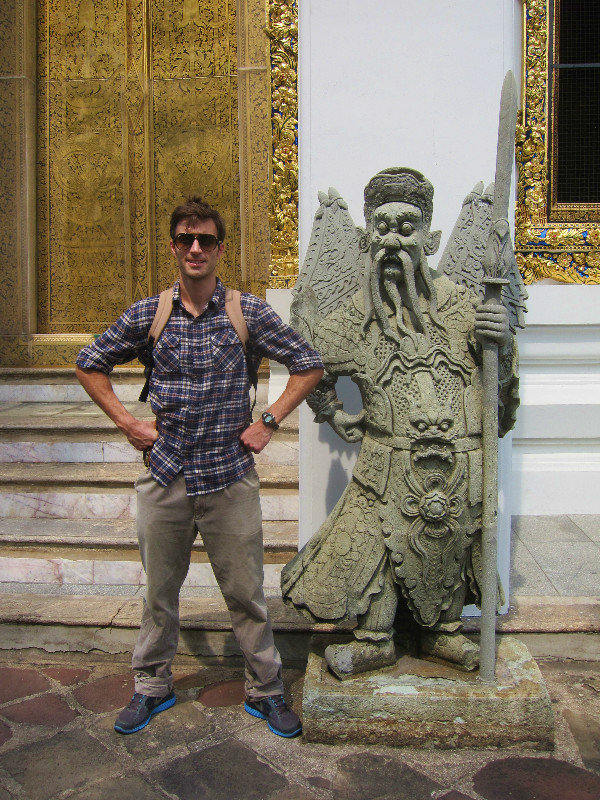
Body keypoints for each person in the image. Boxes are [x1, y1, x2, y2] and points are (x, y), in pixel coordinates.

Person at [76, 196, 323, 736]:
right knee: (160, 594)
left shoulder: (247, 311)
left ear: (219, 249)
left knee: (245, 594)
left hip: (228, 477)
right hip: (164, 476)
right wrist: (127, 422)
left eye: (205, 240)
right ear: (173, 247)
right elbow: (90, 362)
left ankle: (266, 690)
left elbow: (308, 365)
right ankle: (151, 686)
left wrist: (270, 421)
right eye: (186, 239)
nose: (195, 249)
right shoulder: (149, 313)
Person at [281, 168, 518, 678]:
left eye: (407, 227)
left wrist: (502, 340)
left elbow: (497, 385)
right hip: (385, 464)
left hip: (456, 465)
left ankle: (444, 634)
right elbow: (307, 359)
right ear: (367, 236)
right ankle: (375, 638)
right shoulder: (351, 317)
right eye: (383, 227)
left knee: (452, 543)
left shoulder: (464, 306)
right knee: (378, 547)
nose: (393, 239)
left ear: (430, 237)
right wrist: (332, 413)